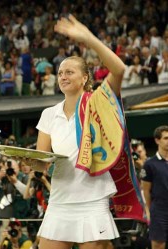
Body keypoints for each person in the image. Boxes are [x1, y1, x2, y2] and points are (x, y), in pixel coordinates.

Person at [33, 15, 127, 249]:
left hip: (92, 202)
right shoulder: (48, 114)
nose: (63, 76)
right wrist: (27, 161)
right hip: (59, 202)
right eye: (60, 72)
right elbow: (41, 163)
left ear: (85, 77)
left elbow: (119, 69)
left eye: (70, 72)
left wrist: (88, 39)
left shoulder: (99, 103)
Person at [141, 125, 168, 249]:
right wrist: (148, 212)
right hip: (159, 211)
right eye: (166, 138)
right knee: (158, 245)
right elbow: (145, 190)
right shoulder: (149, 164)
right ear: (157, 140)